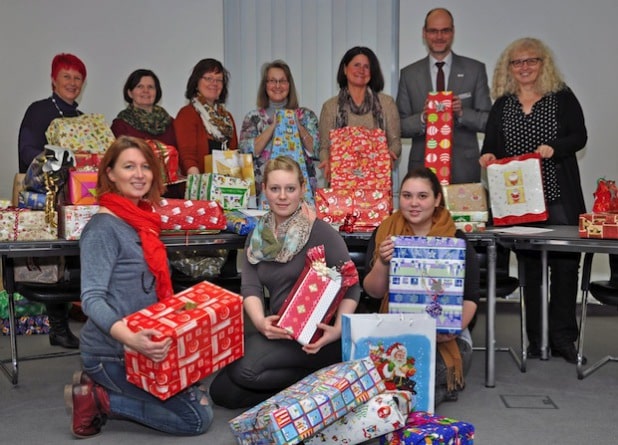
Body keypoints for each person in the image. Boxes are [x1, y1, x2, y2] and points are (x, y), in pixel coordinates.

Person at [64, 136, 213, 438]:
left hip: (144, 344)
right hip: (113, 352)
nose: (139, 174)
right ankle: (99, 398)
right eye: (129, 166)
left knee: (196, 394)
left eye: (146, 166)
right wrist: (133, 340)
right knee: (197, 419)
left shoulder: (142, 220)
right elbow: (91, 300)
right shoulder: (103, 229)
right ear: (110, 174)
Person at [209, 156, 361, 409]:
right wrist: (259, 322)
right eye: (275, 189)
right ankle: (310, 388)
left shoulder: (321, 232)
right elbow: (251, 287)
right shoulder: (257, 237)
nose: (282, 196)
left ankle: (316, 376)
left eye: (290, 189)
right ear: (264, 190)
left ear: (302, 189)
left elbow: (352, 285)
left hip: (320, 336)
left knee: (244, 371)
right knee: (222, 392)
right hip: (282, 329)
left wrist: (337, 330)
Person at [479, 37, 587, 364]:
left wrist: (556, 146)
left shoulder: (562, 98)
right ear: (508, 68)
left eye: (531, 61)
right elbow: (492, 145)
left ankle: (564, 339)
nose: (524, 67)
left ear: (543, 64)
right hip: (519, 203)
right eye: (517, 62)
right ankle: (536, 339)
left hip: (558, 195)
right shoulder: (503, 105)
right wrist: (488, 157)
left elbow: (580, 136)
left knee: (566, 267)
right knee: (530, 270)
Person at [363, 167, 479, 406]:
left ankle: (408, 406)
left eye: (422, 196)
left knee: (414, 372)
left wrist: (450, 329)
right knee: (380, 373)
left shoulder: (456, 240)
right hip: (394, 331)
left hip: (447, 339)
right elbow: (373, 292)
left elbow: (470, 299)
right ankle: (419, 400)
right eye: (407, 196)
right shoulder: (385, 233)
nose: (413, 203)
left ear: (437, 199)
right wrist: (383, 262)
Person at [17, 53, 88, 349]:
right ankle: (58, 327)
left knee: (80, 260)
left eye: (77, 78)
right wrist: (63, 166)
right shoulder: (39, 111)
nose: (72, 83)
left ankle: (73, 323)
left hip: (80, 200)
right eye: (66, 77)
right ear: (53, 80)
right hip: (47, 198)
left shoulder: (86, 121)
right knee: (54, 264)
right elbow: (28, 153)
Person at [397, 8, 492, 184]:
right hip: (422, 169)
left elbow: (488, 121)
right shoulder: (408, 74)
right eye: (433, 31)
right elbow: (399, 126)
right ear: (424, 33)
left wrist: (462, 112)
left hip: (465, 168)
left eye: (445, 30)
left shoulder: (475, 70)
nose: (439, 36)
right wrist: (424, 118)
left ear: (453, 32)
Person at [239, 60, 318, 207]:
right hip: (262, 194)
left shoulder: (307, 116)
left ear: (289, 85)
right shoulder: (253, 117)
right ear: (265, 85)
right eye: (272, 81)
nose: (277, 86)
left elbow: (317, 150)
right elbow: (247, 151)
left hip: (302, 195)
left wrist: (298, 125)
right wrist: (274, 125)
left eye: (282, 81)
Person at [318, 46, 401, 183]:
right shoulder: (330, 107)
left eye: (366, 66)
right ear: (345, 69)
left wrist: (389, 156)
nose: (361, 70)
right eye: (356, 65)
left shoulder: (387, 103)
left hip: (377, 180)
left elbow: (395, 142)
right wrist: (326, 160)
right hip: (341, 181)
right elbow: (324, 147)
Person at [174, 58, 238, 176]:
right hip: (200, 186)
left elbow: (235, 156)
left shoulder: (227, 118)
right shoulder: (187, 114)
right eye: (208, 78)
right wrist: (199, 186)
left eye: (219, 80)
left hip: (227, 188)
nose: (214, 83)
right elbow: (187, 157)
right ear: (196, 83)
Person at [111, 69, 177, 146]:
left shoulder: (170, 123)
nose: (146, 90)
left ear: (157, 92)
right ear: (130, 93)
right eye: (140, 86)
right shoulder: (120, 125)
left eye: (150, 87)